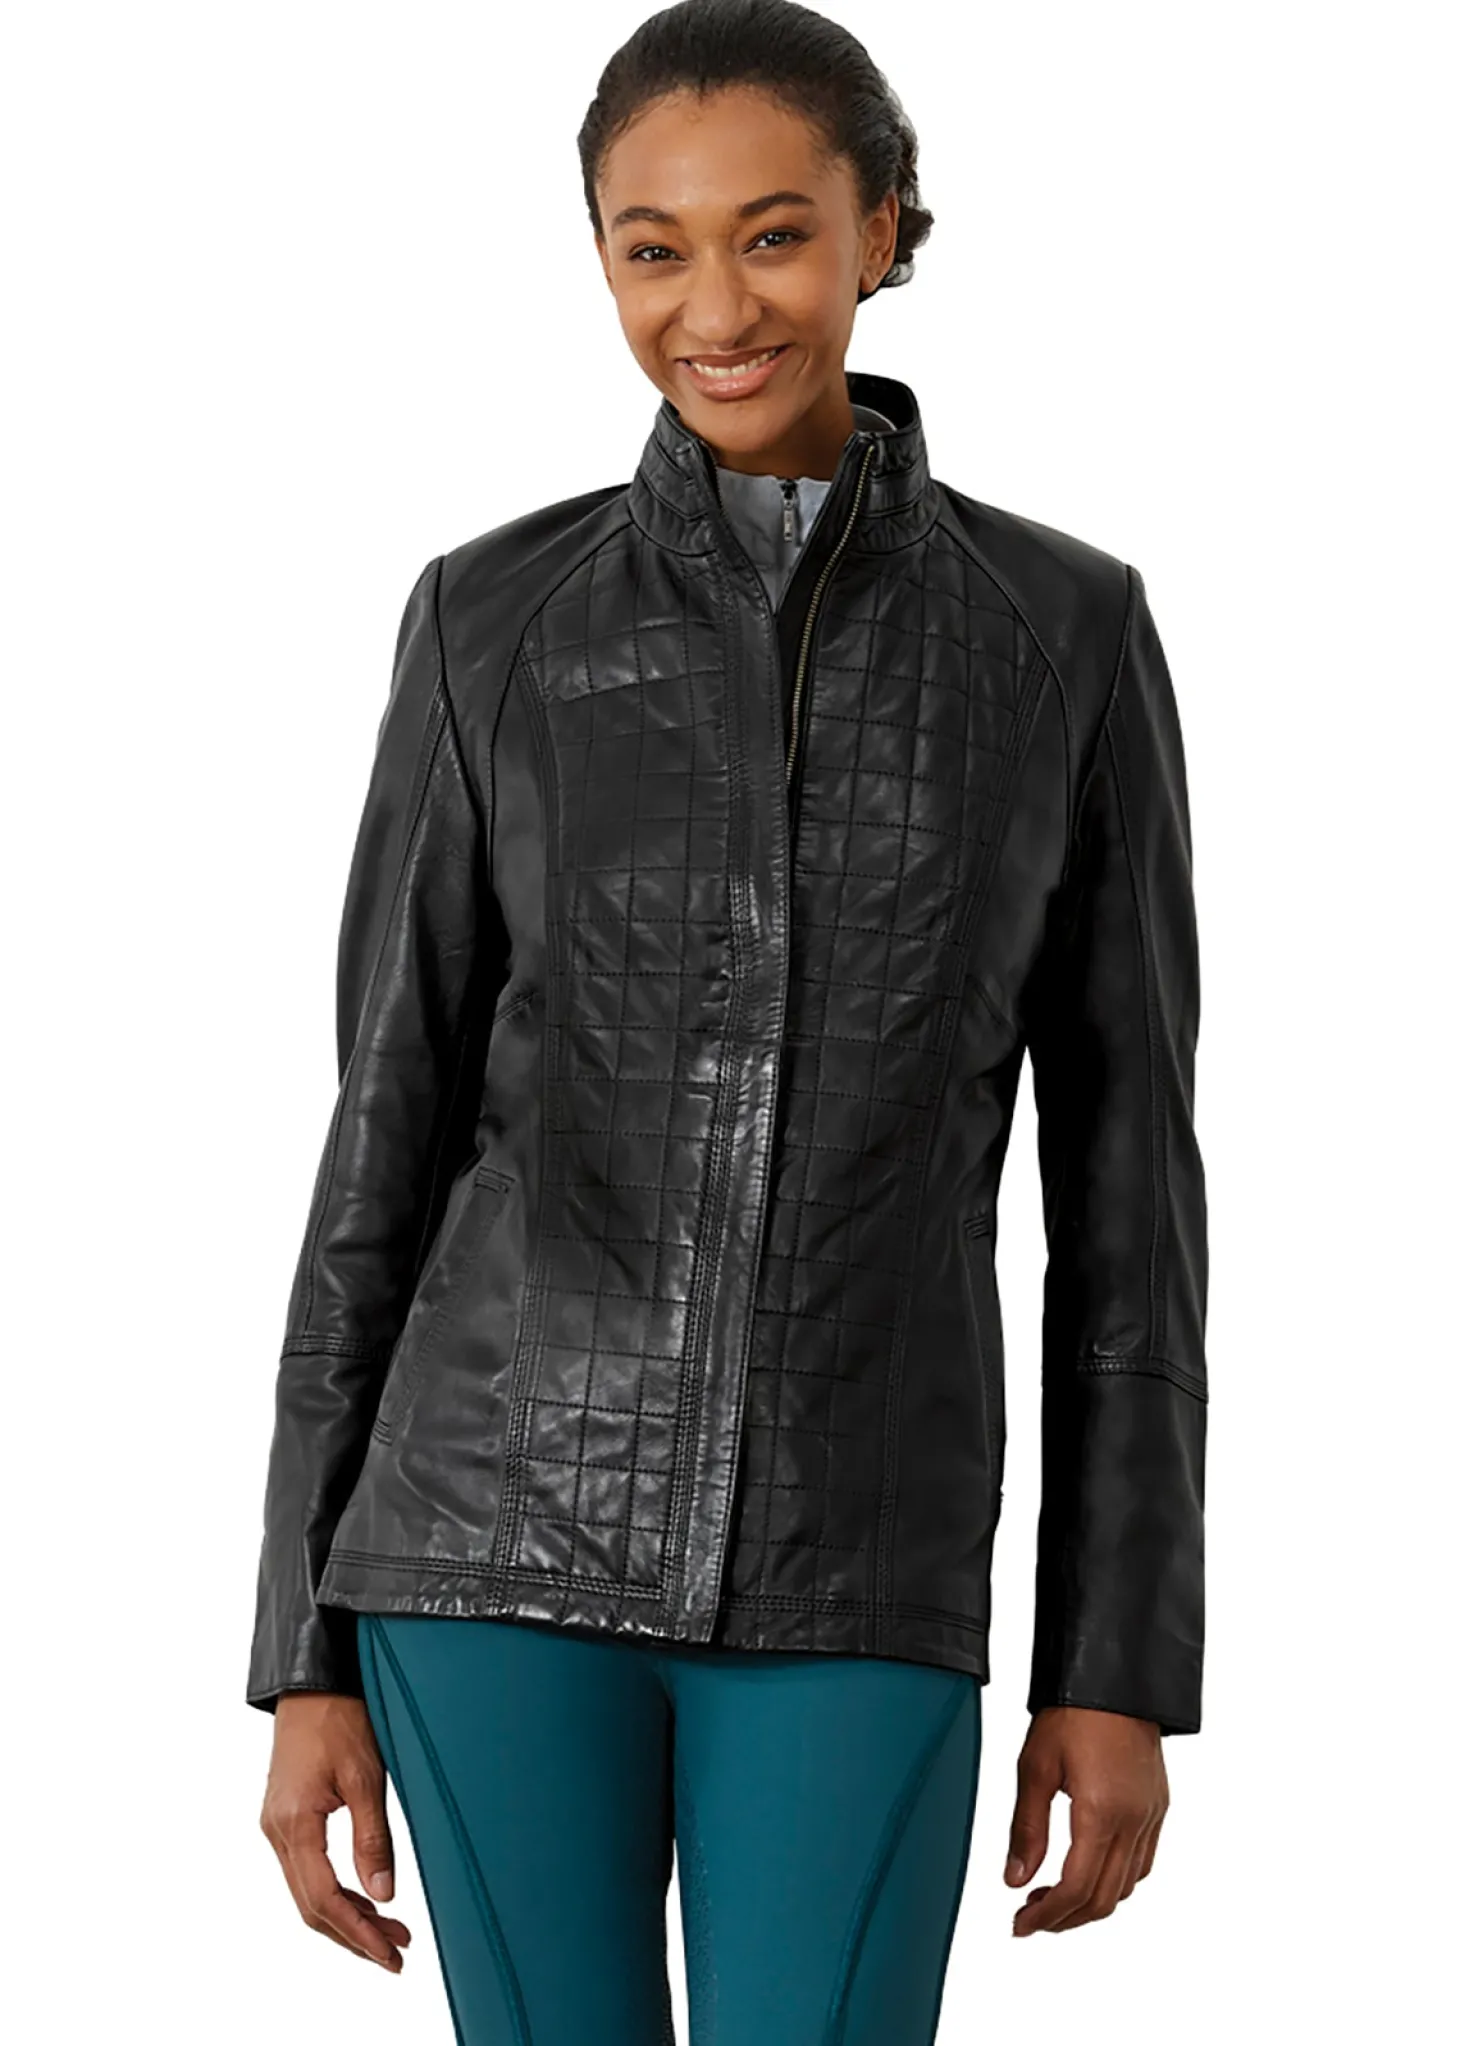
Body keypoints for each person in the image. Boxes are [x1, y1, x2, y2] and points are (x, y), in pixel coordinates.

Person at [249, 2, 1208, 2039]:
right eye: (651, 247)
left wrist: (1115, 1660)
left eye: (773, 234)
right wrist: (300, 1649)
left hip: (862, 1562)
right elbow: (379, 1152)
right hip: (478, 1549)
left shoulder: (1062, 633)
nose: (714, 307)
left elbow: (1132, 1201)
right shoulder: (487, 620)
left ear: (885, 226)